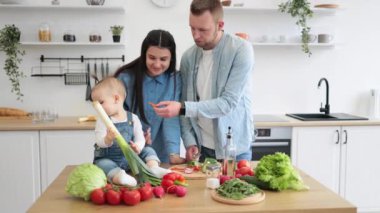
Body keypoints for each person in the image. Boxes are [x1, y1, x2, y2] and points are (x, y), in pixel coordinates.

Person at [151, 0, 255, 162]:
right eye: (192, 28)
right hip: (202, 150)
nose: (196, 35)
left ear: (220, 25)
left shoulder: (241, 50)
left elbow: (227, 103)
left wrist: (182, 108)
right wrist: (190, 141)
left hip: (234, 149)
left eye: (202, 30)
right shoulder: (188, 57)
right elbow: (185, 104)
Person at [114, 29, 185, 164]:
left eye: (163, 59)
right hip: (129, 150)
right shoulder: (125, 79)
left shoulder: (176, 80)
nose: (157, 64)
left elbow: (171, 120)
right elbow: (116, 117)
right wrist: (137, 137)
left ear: (172, 58)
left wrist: (173, 153)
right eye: (152, 58)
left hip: (161, 154)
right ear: (144, 54)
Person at [91, 77, 171, 186]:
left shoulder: (133, 118)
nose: (98, 107)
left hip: (131, 159)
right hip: (110, 159)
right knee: (102, 164)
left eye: (101, 102)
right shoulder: (102, 121)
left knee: (148, 150)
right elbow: (99, 141)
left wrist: (138, 146)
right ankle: (119, 177)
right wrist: (107, 139)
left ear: (116, 99)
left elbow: (140, 138)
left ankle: (154, 168)